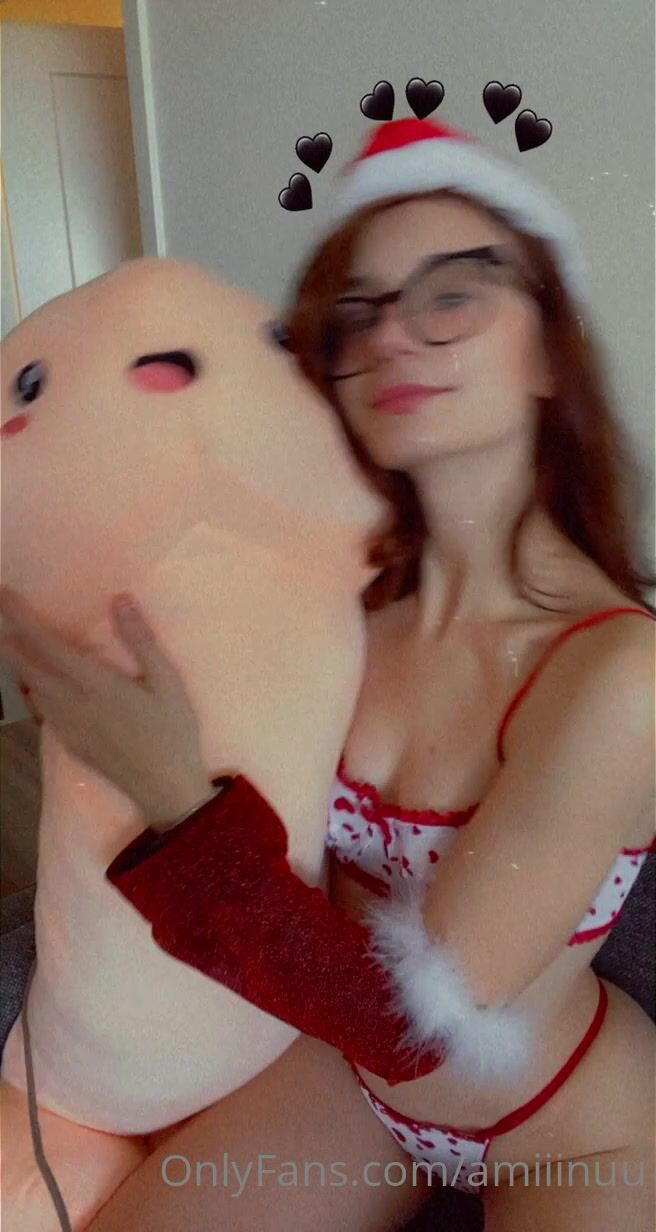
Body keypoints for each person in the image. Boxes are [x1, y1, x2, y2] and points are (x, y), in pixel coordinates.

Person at [1, 117, 654, 1232]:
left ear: (547, 350)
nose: (394, 334)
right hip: (354, 1087)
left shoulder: (619, 672)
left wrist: (176, 801)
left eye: (451, 293)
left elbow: (416, 1027)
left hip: (564, 1124)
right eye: (357, 311)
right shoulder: (340, 607)